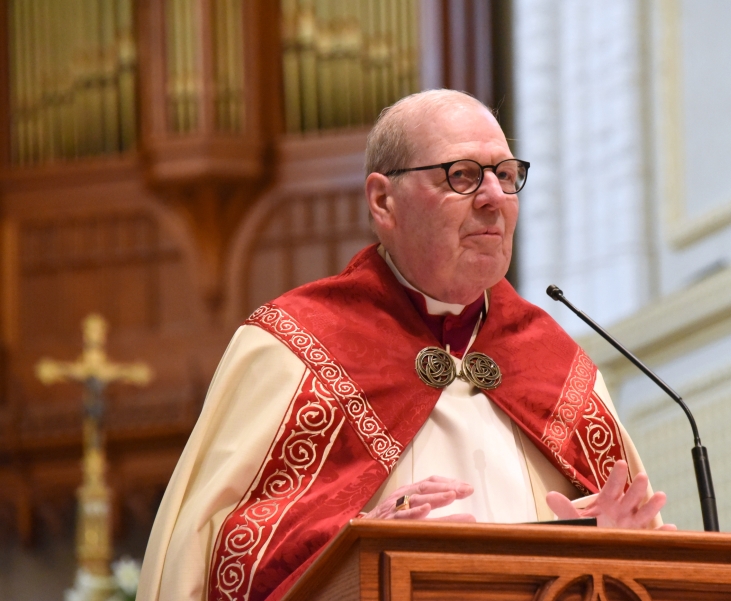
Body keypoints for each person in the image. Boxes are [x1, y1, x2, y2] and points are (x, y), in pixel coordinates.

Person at [137, 89, 672, 601]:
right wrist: (353, 549)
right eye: (461, 176)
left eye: (506, 176)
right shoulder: (294, 347)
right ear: (383, 200)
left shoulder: (556, 361)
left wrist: (603, 543)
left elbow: (645, 561)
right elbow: (219, 556)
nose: (493, 198)